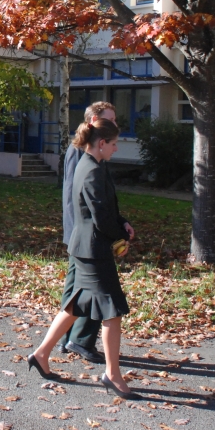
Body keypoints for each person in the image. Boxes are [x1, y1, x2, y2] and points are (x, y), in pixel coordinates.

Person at [31, 118, 138, 399]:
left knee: (75, 305)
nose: (116, 149)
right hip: (93, 251)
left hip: (86, 248)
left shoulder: (92, 165)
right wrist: (121, 238)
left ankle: (41, 355)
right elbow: (100, 217)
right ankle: (112, 375)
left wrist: (123, 222)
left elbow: (105, 208)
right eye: (113, 144)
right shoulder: (91, 170)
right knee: (112, 311)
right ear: (101, 143)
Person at [60, 101, 128, 362]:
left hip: (87, 235)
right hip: (83, 236)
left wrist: (120, 221)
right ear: (94, 122)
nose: (114, 124)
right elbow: (73, 196)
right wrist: (76, 234)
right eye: (110, 120)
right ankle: (74, 341)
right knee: (85, 292)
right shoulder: (80, 151)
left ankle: (67, 342)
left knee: (82, 292)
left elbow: (104, 198)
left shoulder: (98, 152)